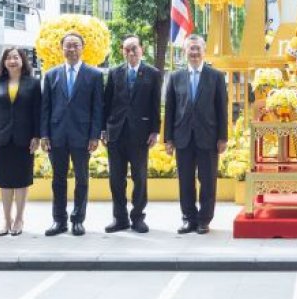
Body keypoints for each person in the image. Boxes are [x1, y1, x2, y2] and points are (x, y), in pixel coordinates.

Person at [41, 32, 104, 237]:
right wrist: (44, 135)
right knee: (58, 180)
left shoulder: (94, 75)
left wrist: (95, 135)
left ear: (82, 48)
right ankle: (58, 220)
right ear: (62, 49)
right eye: (68, 46)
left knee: (82, 179)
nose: (72, 49)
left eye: (76, 45)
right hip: (57, 135)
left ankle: (78, 219)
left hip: (83, 136)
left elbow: (98, 108)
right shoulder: (51, 75)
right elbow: (46, 108)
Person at [164, 35, 228, 234]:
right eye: (190, 49)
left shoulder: (216, 76)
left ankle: (204, 220)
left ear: (204, 51)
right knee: (185, 180)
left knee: (208, 180)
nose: (194, 53)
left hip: (208, 137)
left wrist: (222, 137)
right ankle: (188, 218)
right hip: (183, 137)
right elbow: (170, 109)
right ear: (185, 52)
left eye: (197, 49)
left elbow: (221, 109)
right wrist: (168, 139)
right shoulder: (175, 77)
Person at [102, 36, 163, 234]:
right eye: (127, 49)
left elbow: (155, 105)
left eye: (134, 49)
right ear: (122, 51)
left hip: (140, 134)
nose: (131, 53)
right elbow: (107, 102)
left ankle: (138, 217)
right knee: (116, 179)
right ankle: (120, 218)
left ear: (141, 50)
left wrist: (155, 130)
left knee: (140, 178)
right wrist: (103, 129)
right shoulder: (114, 73)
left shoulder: (152, 74)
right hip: (116, 133)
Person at [0, 47, 41, 236]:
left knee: (22, 180)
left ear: (22, 61)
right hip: (1, 137)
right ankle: (6, 220)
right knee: (5, 181)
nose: (12, 61)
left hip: (24, 139)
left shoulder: (33, 84)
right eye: (8, 58)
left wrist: (37, 136)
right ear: (4, 62)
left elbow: (37, 113)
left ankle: (19, 219)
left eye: (16, 57)